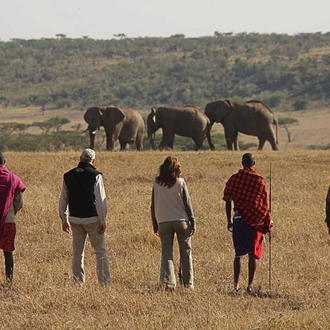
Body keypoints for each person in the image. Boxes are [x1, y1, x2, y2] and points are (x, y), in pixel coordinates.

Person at [59, 148, 111, 286]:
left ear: (80, 158)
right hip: (92, 219)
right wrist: (103, 219)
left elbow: (63, 200)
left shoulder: (68, 175)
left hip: (75, 219)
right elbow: (101, 200)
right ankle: (105, 283)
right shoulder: (95, 175)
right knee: (100, 252)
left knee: (78, 253)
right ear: (93, 161)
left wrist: (64, 219)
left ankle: (78, 284)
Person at [223, 153, 272, 294]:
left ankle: (236, 286)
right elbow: (264, 204)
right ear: (253, 163)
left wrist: (228, 220)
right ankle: (250, 286)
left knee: (238, 254)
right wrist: (266, 220)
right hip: (255, 221)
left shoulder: (234, 179)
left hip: (238, 219)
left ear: (242, 162)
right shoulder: (259, 181)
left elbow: (227, 200)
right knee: (251, 254)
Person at [151, 156, 196, 291]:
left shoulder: (156, 183)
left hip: (163, 221)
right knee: (186, 252)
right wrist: (192, 221)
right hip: (181, 221)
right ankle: (188, 285)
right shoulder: (180, 182)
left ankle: (169, 283)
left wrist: (155, 223)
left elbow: (152, 205)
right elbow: (187, 204)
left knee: (167, 253)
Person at [0, 151, 25, 282]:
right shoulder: (13, 178)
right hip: (8, 221)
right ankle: (9, 281)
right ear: (4, 162)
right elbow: (19, 202)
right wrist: (11, 212)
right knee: (8, 251)